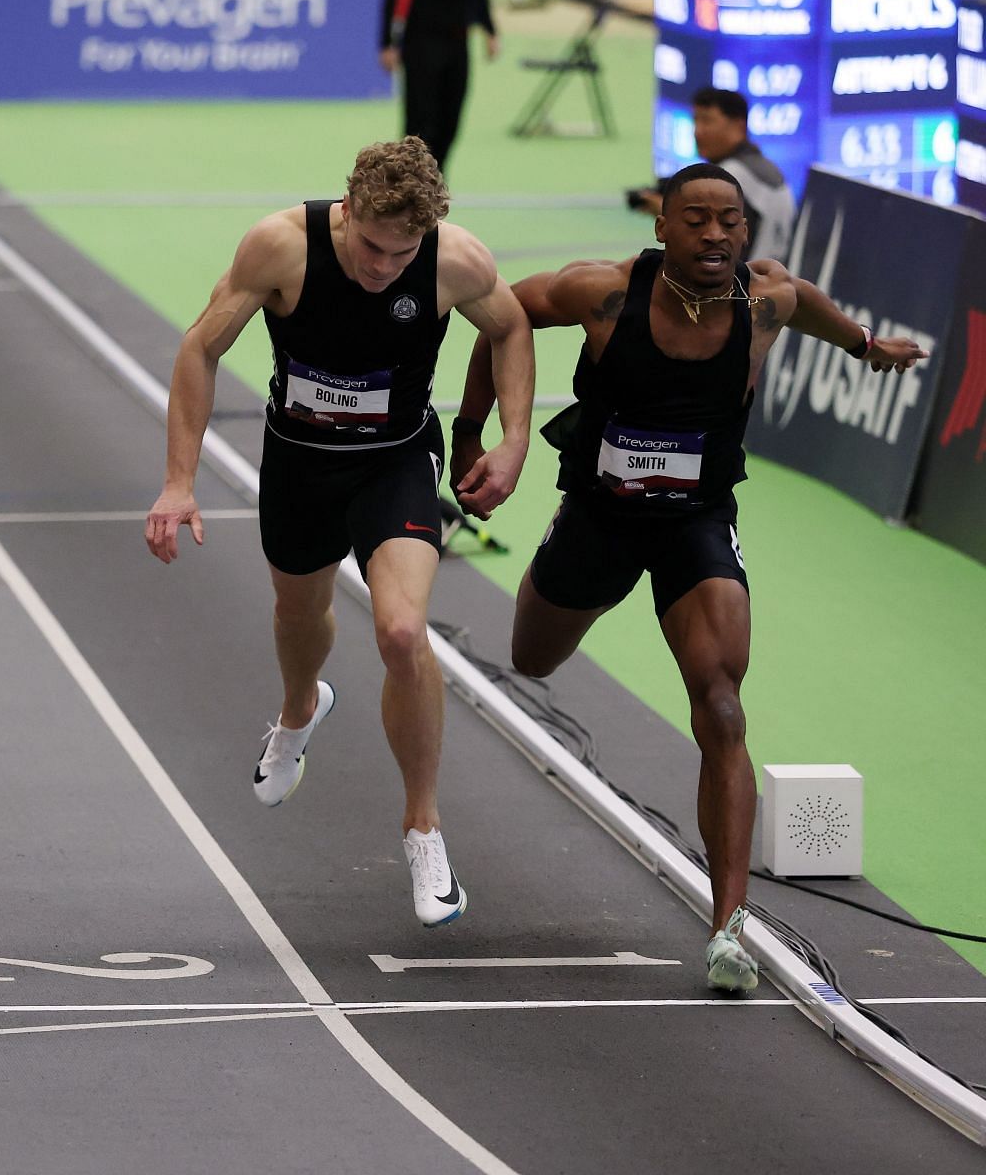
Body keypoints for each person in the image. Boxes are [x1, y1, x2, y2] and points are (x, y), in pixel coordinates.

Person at [451, 162, 927, 989]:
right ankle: (560, 567)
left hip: (696, 524)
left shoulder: (761, 302)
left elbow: (805, 298)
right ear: (661, 223)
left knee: (722, 703)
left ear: (746, 231)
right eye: (697, 220)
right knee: (531, 659)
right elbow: (502, 317)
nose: (715, 236)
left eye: (730, 223)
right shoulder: (600, 294)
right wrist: (473, 430)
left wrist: (865, 346)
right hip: (600, 518)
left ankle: (729, 928)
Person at [146, 137, 534, 927]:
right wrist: (179, 480)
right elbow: (200, 346)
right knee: (298, 612)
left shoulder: (453, 262)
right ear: (346, 211)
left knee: (401, 631)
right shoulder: (279, 246)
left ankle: (423, 827)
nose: (384, 267)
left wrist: (512, 437)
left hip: (395, 461)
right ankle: (298, 709)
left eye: (403, 254)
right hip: (299, 462)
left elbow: (512, 330)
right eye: (371, 247)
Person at [379, 0, 499, 175]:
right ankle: (409, 190)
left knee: (451, 120)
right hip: (422, 36)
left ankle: (434, 187)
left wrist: (489, 27)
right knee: (420, 124)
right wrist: (386, 41)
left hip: (458, 37)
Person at [630, 88, 795, 260]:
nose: (698, 131)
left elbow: (716, 245)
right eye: (696, 121)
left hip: (746, 282)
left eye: (707, 121)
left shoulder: (730, 177)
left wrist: (669, 216)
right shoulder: (764, 169)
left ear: (738, 125)